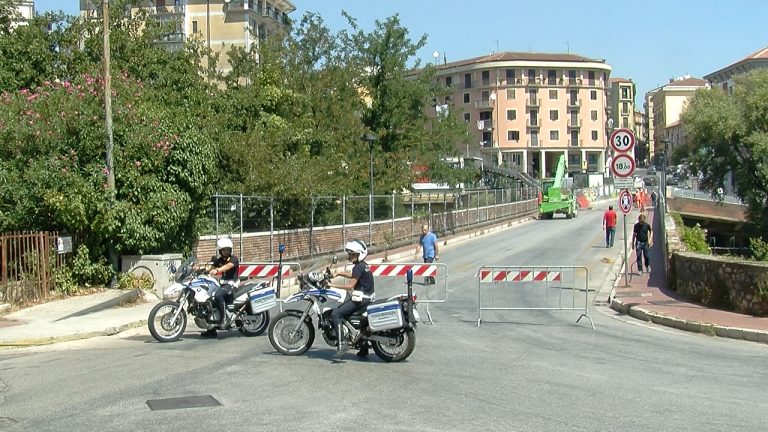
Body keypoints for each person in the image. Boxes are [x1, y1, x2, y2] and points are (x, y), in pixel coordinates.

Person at [329, 240, 375, 357]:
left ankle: (342, 343)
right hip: (368, 298)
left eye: (353, 254)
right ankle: (363, 348)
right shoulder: (363, 265)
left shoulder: (358, 267)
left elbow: (350, 286)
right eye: (350, 254)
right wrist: (339, 273)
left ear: (360, 254)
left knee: (336, 314)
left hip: (361, 299)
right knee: (350, 316)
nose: (350, 256)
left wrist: (331, 285)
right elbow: (354, 275)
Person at [201, 238, 240, 337]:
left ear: (230, 250)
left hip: (232, 284)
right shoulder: (219, 260)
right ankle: (211, 329)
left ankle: (224, 320)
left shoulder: (233, 259)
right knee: (209, 299)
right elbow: (211, 266)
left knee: (218, 296)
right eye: (223, 250)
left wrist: (217, 270)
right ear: (220, 251)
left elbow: (227, 267)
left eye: (227, 249)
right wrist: (199, 268)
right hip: (223, 284)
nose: (225, 251)